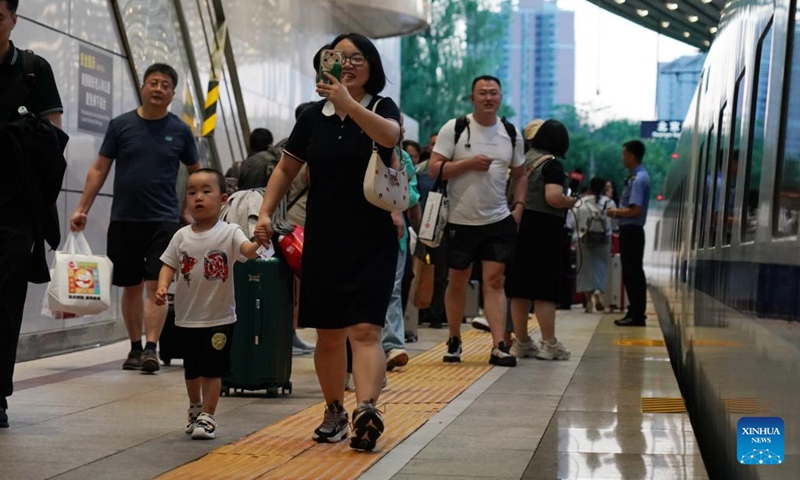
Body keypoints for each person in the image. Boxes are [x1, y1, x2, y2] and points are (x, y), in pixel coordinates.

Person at [254, 33, 400, 452]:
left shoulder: (378, 107)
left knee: (366, 328)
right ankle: (335, 409)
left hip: (372, 237)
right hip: (323, 236)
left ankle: (367, 408)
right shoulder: (313, 118)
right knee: (330, 333)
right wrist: (266, 211)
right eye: (337, 57)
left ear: (371, 65)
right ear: (324, 64)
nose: (347, 64)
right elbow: (285, 169)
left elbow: (389, 137)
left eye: (357, 58)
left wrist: (349, 103)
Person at [70, 63, 200, 372]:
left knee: (157, 283)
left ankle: (152, 348)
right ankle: (134, 348)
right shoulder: (120, 125)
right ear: (143, 87)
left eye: (165, 85)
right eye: (153, 83)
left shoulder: (180, 130)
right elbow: (99, 168)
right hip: (125, 219)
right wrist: (82, 208)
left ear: (172, 94)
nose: (158, 89)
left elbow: (197, 173)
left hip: (164, 220)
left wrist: (190, 209)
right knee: (130, 286)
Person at [428, 75, 526, 367]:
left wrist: (518, 207)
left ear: (500, 97)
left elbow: (520, 175)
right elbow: (434, 169)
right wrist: (467, 164)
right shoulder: (455, 128)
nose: (488, 98)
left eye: (493, 93)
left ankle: (499, 345)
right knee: (457, 280)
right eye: (482, 93)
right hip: (460, 220)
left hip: (498, 220)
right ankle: (455, 338)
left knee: (495, 281)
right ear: (472, 98)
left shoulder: (510, 132)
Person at [156, 169, 259, 440]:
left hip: (220, 318)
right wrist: (163, 285)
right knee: (192, 369)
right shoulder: (181, 236)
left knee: (213, 369)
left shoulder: (230, 232)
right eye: (192, 192)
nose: (198, 198)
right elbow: (168, 263)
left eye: (205, 191)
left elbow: (247, 251)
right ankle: (195, 408)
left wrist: (258, 242)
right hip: (187, 318)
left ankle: (209, 417)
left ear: (223, 199)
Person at [0, 0, 64, 428]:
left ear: (13, 19)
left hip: (13, 209)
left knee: (3, 302)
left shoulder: (32, 70)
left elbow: (55, 136)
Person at [506, 119, 576, 361]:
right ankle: (549, 343)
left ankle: (522, 341)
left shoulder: (523, 161)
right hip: (545, 230)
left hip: (519, 224)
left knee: (520, 286)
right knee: (545, 288)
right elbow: (554, 197)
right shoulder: (551, 164)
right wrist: (570, 201)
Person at [608, 140, 650, 327]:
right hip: (632, 232)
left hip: (632, 231)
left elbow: (635, 210)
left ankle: (636, 314)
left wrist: (615, 212)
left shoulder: (638, 180)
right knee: (632, 273)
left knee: (633, 274)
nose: (622, 157)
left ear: (632, 155)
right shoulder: (637, 177)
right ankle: (635, 312)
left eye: (625, 154)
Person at [574, 176, 616, 313]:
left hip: (584, 239)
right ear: (604, 188)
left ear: (590, 187)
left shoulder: (581, 202)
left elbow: (573, 222)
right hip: (604, 240)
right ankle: (598, 290)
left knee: (585, 270)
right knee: (601, 267)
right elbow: (614, 224)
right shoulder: (610, 203)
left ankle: (588, 301)